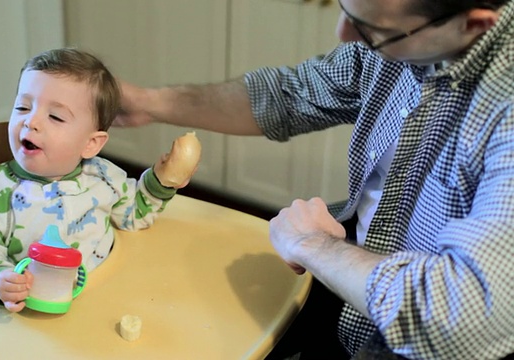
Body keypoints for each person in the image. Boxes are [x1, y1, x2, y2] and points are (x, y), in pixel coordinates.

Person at [113, 0, 514, 358]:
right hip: (353, 290)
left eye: (372, 30)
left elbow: (465, 313)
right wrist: (151, 104)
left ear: (474, 24)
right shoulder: (406, 32)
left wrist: (313, 245)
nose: (344, 33)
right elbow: (295, 94)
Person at [0, 48, 197, 313]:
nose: (31, 121)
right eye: (23, 107)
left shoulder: (103, 177)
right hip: (34, 312)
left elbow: (134, 213)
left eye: (55, 116)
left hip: (105, 297)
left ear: (91, 143)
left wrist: (161, 183)